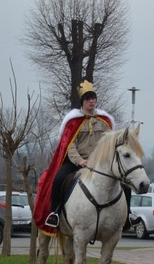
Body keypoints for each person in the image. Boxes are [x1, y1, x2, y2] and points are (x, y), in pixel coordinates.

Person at [37, 80, 140, 233]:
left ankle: (128, 216)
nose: (91, 101)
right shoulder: (73, 122)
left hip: (100, 163)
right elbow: (69, 146)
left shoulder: (104, 121)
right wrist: (80, 161)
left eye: (93, 98)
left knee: (124, 184)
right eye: (88, 98)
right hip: (78, 162)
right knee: (58, 179)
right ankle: (55, 214)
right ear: (83, 102)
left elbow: (111, 142)